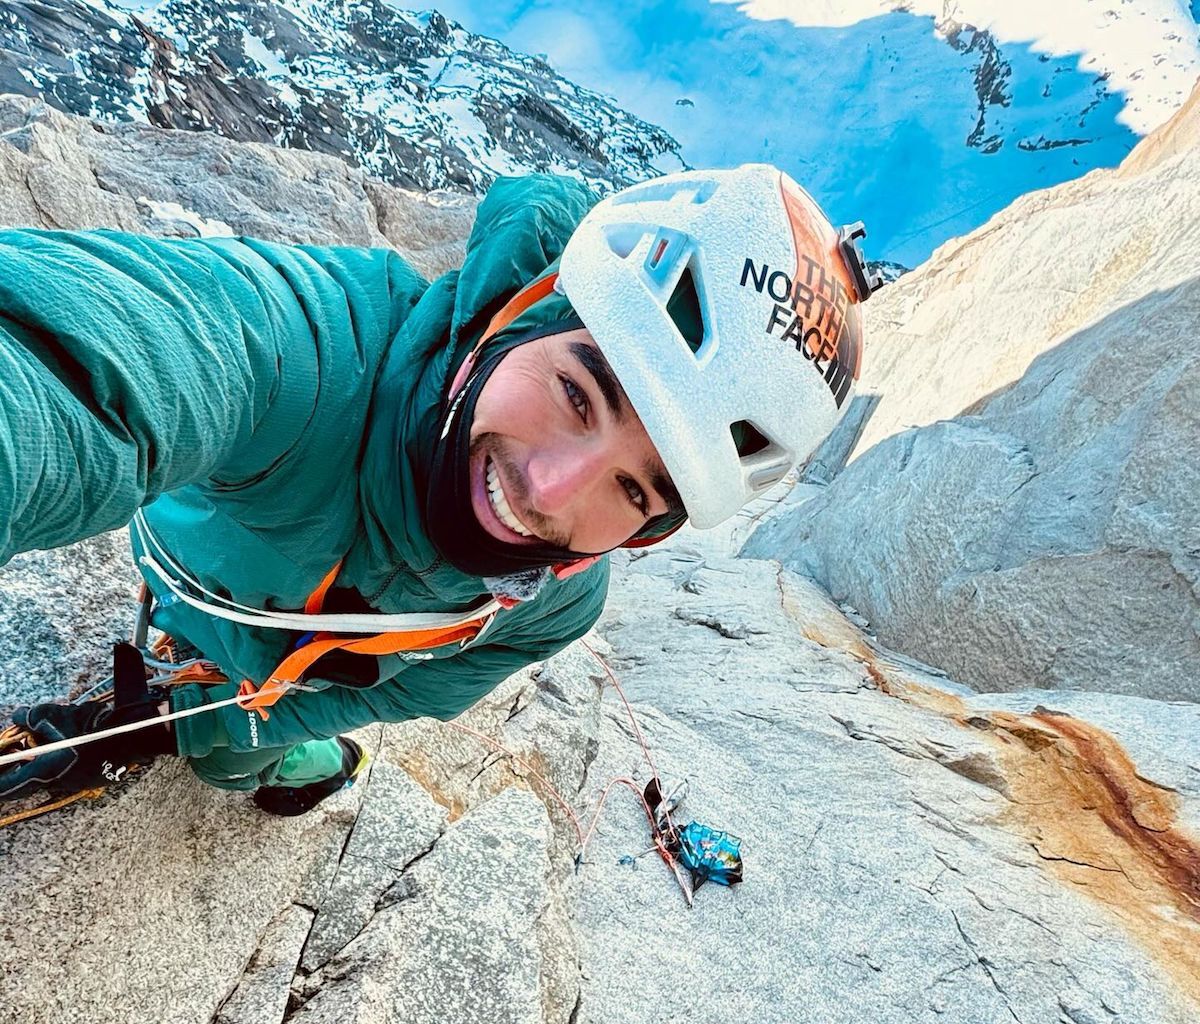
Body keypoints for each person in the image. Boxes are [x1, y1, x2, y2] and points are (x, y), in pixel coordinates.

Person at [0, 164, 878, 817]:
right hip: (188, 582)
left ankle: (318, 763)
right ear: (519, 317)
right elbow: (81, 362)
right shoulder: (312, 357)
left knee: (230, 767)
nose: (549, 491)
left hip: (264, 657)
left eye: (635, 491)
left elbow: (414, 692)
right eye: (578, 394)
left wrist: (206, 727)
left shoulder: (557, 607)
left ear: (650, 533)